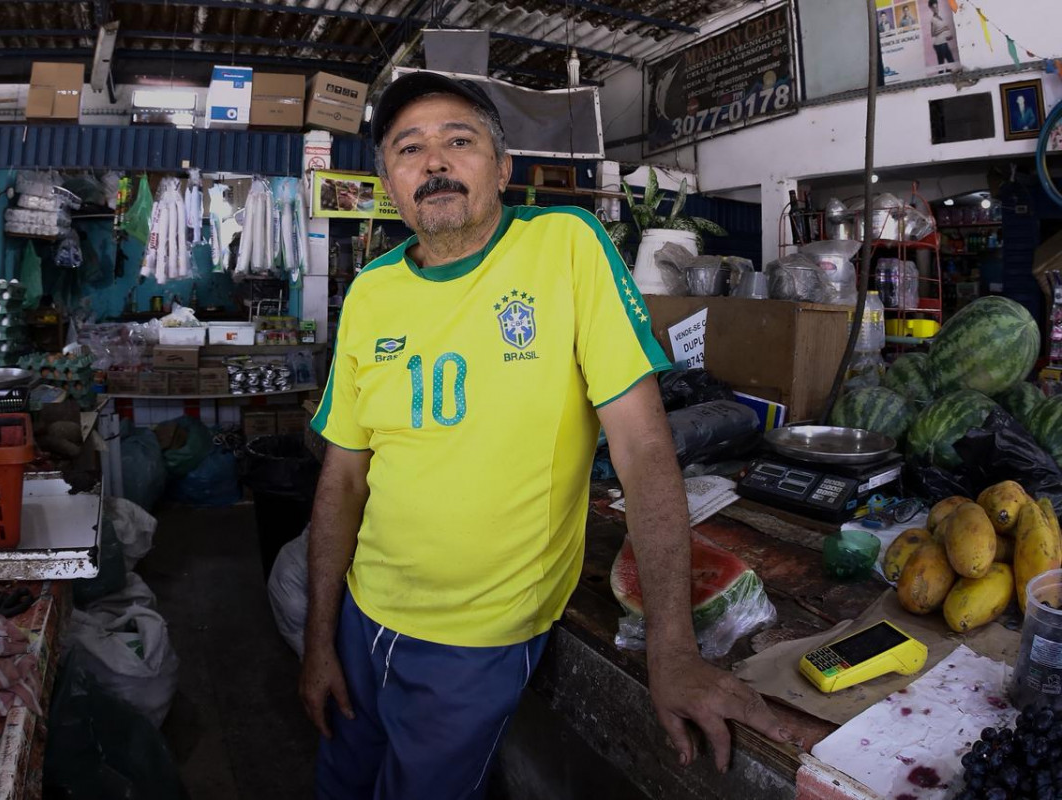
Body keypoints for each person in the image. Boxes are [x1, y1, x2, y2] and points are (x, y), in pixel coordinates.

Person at [300, 71, 793, 800]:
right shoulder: (371, 292)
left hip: (475, 640)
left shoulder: (565, 246)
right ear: (388, 183)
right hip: (363, 614)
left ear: (501, 168)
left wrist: (673, 649)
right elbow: (342, 477)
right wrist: (318, 640)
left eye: (458, 141)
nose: (433, 162)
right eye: (409, 149)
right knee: (338, 783)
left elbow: (644, 447)